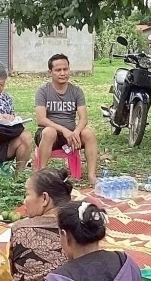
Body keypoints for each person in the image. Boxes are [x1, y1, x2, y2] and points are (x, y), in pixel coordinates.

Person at [35, 54, 98, 187]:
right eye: (58, 70)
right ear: (50, 72)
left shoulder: (76, 91)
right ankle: (41, 174)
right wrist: (63, 130)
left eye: (65, 69)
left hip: (71, 136)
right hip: (49, 136)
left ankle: (92, 175)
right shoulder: (43, 91)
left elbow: (83, 118)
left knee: (89, 133)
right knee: (49, 132)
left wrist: (76, 132)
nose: (63, 73)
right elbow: (41, 119)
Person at [9, 168, 72, 281]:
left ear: (44, 198)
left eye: (27, 194)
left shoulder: (20, 229)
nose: (24, 201)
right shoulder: (81, 225)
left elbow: (14, 272)